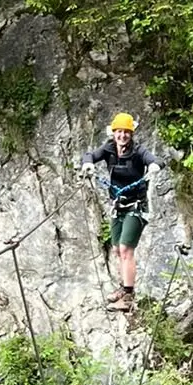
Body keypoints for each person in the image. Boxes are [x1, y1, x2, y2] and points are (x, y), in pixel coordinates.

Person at [84, 111, 157, 312]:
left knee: (125, 250)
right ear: (113, 132)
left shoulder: (138, 151)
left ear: (131, 134)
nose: (122, 135)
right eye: (119, 132)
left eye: (126, 132)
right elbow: (90, 155)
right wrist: (88, 164)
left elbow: (154, 160)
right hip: (118, 206)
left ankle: (128, 297)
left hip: (136, 206)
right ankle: (123, 287)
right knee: (117, 249)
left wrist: (153, 167)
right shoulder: (109, 149)